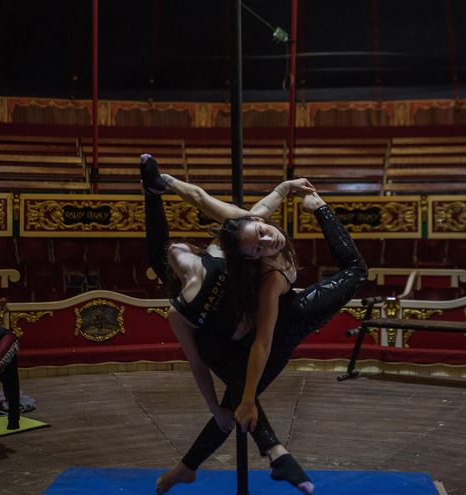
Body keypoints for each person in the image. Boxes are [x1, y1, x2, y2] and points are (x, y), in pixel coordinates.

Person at [141, 154, 367, 494]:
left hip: (257, 329)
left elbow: (203, 200)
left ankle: (195, 467)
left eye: (262, 231)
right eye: (258, 246)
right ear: (249, 258)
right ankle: (274, 453)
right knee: (237, 397)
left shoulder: (240, 232)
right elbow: (259, 340)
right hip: (279, 325)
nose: (268, 240)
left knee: (234, 401)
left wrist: (160, 183)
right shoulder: (262, 277)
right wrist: (242, 398)